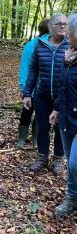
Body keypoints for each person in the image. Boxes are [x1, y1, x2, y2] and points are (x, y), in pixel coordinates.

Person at [23, 13, 68, 175]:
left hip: (62, 98)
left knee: (60, 128)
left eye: (65, 24)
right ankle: (42, 157)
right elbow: (33, 71)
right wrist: (27, 93)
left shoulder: (70, 46)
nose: (63, 26)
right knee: (42, 126)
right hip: (42, 96)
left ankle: (58, 159)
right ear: (50, 27)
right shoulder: (40, 45)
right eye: (59, 24)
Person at [50, 14, 77, 216]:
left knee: (75, 162)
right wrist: (56, 109)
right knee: (70, 162)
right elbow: (63, 87)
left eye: (71, 30)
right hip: (66, 116)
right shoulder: (69, 55)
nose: (67, 32)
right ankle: (72, 197)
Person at [17, 19, 49, 148]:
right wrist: (24, 88)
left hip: (46, 88)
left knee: (41, 114)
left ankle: (36, 138)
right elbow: (24, 67)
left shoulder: (55, 45)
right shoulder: (31, 46)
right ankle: (22, 138)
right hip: (31, 87)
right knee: (26, 112)